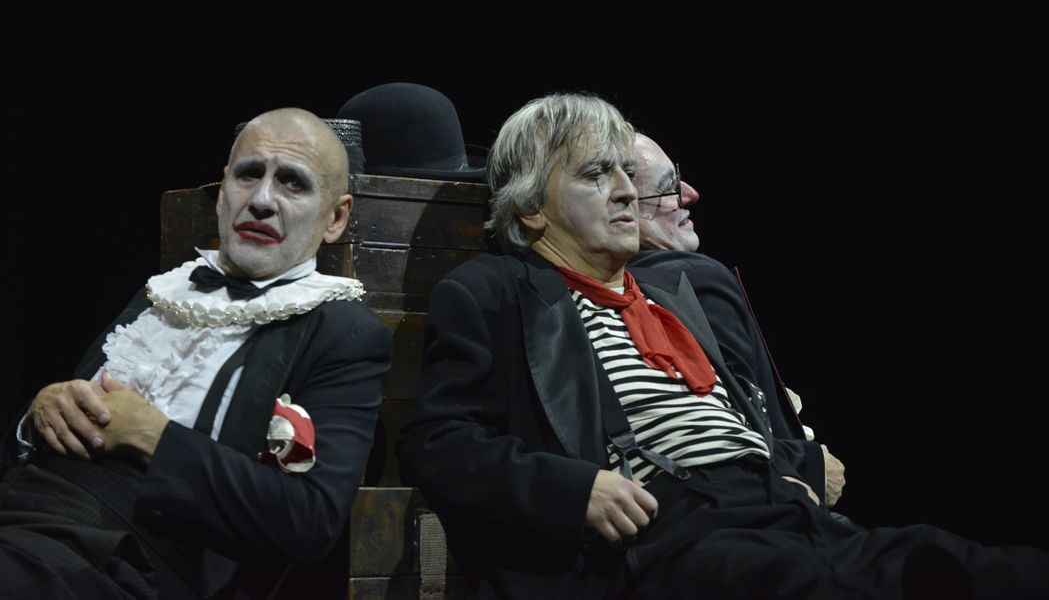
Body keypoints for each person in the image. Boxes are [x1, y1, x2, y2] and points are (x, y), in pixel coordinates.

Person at [396, 93, 1047, 599]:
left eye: (626, 171)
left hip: (781, 514)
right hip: (670, 537)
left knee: (990, 571)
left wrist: (794, 464)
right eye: (597, 174)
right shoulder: (496, 290)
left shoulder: (675, 292)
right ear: (532, 208)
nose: (627, 190)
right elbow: (439, 440)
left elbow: (754, 410)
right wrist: (572, 491)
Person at [0, 108, 392, 598]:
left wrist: (153, 438)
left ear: (335, 218)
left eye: (293, 183)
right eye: (249, 174)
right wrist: (37, 415)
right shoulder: (165, 291)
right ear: (222, 191)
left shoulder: (341, 332)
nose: (262, 201)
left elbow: (310, 520)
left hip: (127, 555)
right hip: (24, 509)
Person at [627, 133, 844, 507]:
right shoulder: (691, 278)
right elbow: (738, 422)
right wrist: (808, 465)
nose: (690, 194)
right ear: (620, 206)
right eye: (667, 188)